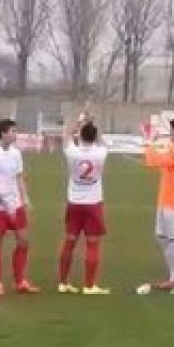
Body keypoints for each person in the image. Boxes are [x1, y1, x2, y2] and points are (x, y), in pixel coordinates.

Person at [0, 119, 38, 295]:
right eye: (13, 131)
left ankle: (19, 281)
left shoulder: (16, 153)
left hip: (16, 206)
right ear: (3, 134)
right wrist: (4, 202)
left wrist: (25, 197)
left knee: (23, 241)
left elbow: (19, 177)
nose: (16, 134)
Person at [58, 114, 110, 295]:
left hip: (74, 202)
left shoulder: (72, 152)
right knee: (92, 244)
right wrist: (92, 123)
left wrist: (79, 121)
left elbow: (66, 135)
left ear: (80, 136)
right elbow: (102, 140)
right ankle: (89, 285)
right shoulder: (100, 153)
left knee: (69, 242)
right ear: (94, 136)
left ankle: (63, 283)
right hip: (93, 203)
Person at [143, 116, 174, 294]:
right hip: (164, 200)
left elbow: (154, 161)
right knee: (161, 237)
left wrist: (148, 143)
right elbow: (159, 158)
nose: (169, 133)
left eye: (171, 130)